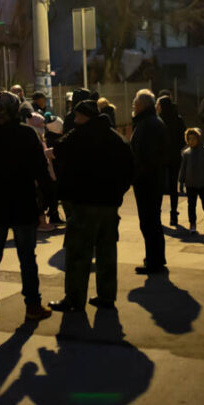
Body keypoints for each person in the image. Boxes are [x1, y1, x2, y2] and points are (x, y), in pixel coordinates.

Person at [48, 100, 134, 312]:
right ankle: (107, 296)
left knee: (78, 253)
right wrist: (117, 193)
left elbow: (59, 149)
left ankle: (74, 299)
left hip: (84, 203)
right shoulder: (116, 138)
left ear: (84, 116)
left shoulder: (79, 136)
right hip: (109, 205)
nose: (75, 120)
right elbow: (130, 169)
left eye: (77, 116)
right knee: (107, 252)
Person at [0, 91, 54, 321]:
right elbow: (40, 169)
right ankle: (33, 306)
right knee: (27, 257)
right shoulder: (26, 134)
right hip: (23, 202)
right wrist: (49, 197)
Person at [130, 89, 169, 275]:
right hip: (151, 179)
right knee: (151, 221)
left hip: (148, 180)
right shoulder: (151, 122)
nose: (133, 105)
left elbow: (147, 156)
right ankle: (154, 258)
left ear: (143, 105)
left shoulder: (149, 124)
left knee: (149, 222)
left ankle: (154, 261)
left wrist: (137, 173)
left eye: (135, 102)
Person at [178, 128, 204, 234]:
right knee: (191, 205)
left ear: (198, 139)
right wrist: (181, 182)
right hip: (190, 184)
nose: (191, 141)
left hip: (203, 184)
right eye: (189, 139)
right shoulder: (186, 153)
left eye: (194, 138)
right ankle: (192, 223)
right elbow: (183, 169)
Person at [157, 94, 186, 226]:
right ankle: (173, 215)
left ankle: (157, 214)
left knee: (159, 187)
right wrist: (176, 148)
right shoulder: (178, 119)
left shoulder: (158, 120)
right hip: (175, 157)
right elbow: (183, 138)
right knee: (173, 187)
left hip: (161, 158)